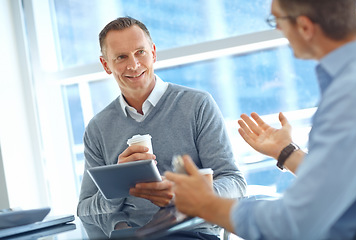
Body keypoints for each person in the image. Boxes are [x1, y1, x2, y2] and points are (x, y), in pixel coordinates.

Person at [165, 0, 356, 239]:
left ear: (305, 27)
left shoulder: (348, 96)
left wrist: (206, 204)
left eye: (276, 20)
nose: (277, 29)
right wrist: (286, 152)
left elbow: (296, 223)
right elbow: (340, 181)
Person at [77, 16, 246, 239]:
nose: (134, 65)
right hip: (131, 235)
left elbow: (235, 183)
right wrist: (116, 186)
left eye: (140, 52)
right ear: (106, 65)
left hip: (191, 234)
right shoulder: (98, 128)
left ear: (154, 52)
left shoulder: (197, 105)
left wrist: (187, 195)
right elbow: (84, 209)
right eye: (121, 57)